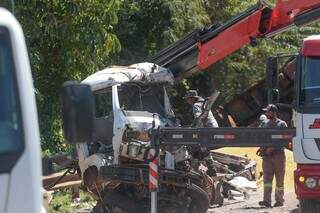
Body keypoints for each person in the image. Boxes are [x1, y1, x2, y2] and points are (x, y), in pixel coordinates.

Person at [258, 104, 287, 208]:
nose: (266, 113)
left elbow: (285, 140)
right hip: (267, 157)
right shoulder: (264, 124)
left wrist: (273, 147)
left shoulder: (282, 124)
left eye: (268, 111)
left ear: (273, 112)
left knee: (279, 179)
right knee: (267, 180)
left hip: (279, 156)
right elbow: (261, 138)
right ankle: (267, 201)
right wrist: (262, 149)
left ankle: (279, 201)